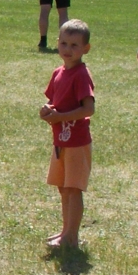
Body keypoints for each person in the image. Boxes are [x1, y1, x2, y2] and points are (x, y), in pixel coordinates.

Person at [40, 18, 95, 249]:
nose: (68, 49)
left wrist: (60, 117)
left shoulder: (82, 74)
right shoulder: (58, 73)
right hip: (60, 141)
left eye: (74, 45)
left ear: (85, 49)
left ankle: (72, 236)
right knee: (63, 187)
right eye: (64, 43)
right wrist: (48, 111)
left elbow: (88, 108)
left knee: (74, 188)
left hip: (76, 141)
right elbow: (54, 102)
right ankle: (65, 231)